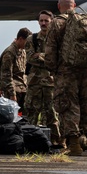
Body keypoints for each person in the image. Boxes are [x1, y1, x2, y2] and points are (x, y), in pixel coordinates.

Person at [45, 0, 87, 156]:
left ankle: (74, 146)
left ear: (59, 6)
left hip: (66, 73)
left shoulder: (57, 23)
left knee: (69, 106)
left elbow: (50, 51)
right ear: (74, 5)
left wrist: (53, 70)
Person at [23, 10, 61, 146]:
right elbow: (31, 58)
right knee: (31, 112)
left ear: (52, 22)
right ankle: (28, 140)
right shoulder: (32, 39)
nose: (43, 23)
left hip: (52, 83)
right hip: (35, 83)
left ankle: (56, 141)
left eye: (46, 21)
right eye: (41, 21)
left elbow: (59, 59)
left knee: (52, 113)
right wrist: (48, 58)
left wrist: (41, 56)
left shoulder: (57, 39)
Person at [0, 27, 30, 106]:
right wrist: (12, 94)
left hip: (23, 89)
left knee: (23, 116)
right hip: (13, 91)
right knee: (13, 116)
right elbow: (6, 75)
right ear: (21, 39)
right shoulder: (9, 53)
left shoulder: (22, 51)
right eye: (27, 42)